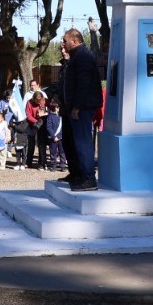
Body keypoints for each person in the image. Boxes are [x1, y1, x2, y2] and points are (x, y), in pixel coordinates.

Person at [58, 27, 103, 191]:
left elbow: (83, 84)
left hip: (82, 108)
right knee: (74, 143)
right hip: (74, 108)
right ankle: (78, 174)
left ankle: (89, 178)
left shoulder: (82, 56)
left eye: (65, 40)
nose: (63, 43)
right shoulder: (77, 56)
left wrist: (77, 106)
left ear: (74, 40)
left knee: (83, 143)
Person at [26, 93, 51, 170]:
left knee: (42, 144)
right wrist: (36, 121)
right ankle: (28, 162)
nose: (38, 102)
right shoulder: (29, 102)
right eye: (37, 101)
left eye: (40, 101)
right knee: (31, 144)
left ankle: (42, 162)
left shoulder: (45, 101)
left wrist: (46, 112)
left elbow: (51, 109)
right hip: (33, 124)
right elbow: (28, 115)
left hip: (43, 123)